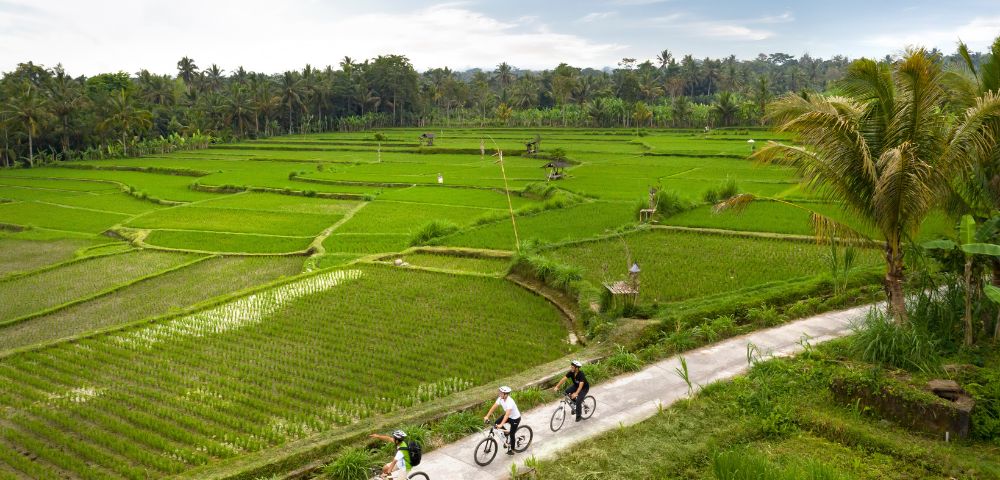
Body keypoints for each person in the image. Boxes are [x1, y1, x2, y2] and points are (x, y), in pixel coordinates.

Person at [483, 385, 521, 455]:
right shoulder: (500, 398)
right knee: (496, 424)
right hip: (508, 415)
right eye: (499, 392)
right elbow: (494, 406)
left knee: (512, 434)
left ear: (506, 394)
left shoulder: (510, 402)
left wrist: (501, 425)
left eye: (501, 393)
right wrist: (487, 416)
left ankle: (511, 449)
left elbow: (507, 415)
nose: (499, 394)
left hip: (515, 418)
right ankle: (506, 433)